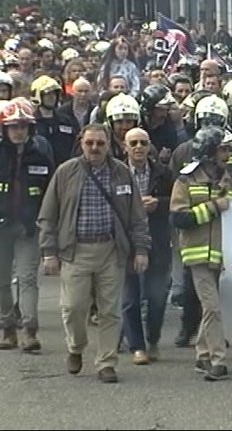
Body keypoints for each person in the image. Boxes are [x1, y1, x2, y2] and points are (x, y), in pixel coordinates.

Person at [38, 123, 150, 383]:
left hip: (111, 251)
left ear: (109, 144)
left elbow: (137, 217)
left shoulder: (121, 173)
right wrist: (48, 252)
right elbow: (47, 215)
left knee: (111, 311)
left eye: (100, 143)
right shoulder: (66, 172)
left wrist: (141, 250)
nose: (95, 148)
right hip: (75, 251)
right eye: (90, 143)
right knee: (74, 307)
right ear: (81, 143)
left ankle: (106, 363)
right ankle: (75, 347)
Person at [170, 126, 232, 381]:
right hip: (197, 255)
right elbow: (179, 217)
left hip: (223, 254)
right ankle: (218, 360)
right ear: (209, 151)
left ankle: (202, 354)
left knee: (212, 308)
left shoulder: (230, 178)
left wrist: (226, 191)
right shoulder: (185, 180)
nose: (228, 154)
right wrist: (213, 206)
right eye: (223, 149)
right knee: (212, 307)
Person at [0, 100, 54, 352]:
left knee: (27, 278)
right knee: (1, 280)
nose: (18, 131)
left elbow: (50, 194)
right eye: (13, 126)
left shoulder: (41, 155)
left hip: (28, 228)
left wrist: (47, 225)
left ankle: (30, 330)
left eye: (23, 126)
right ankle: (7, 327)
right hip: (1, 228)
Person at [121, 128, 174, 365]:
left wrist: (159, 204)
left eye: (143, 143)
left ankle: (153, 339)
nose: (138, 147)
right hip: (126, 242)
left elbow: (178, 201)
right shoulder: (116, 172)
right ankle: (137, 346)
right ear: (125, 147)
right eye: (133, 143)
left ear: (149, 146)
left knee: (157, 297)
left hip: (158, 241)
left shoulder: (164, 173)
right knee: (130, 299)